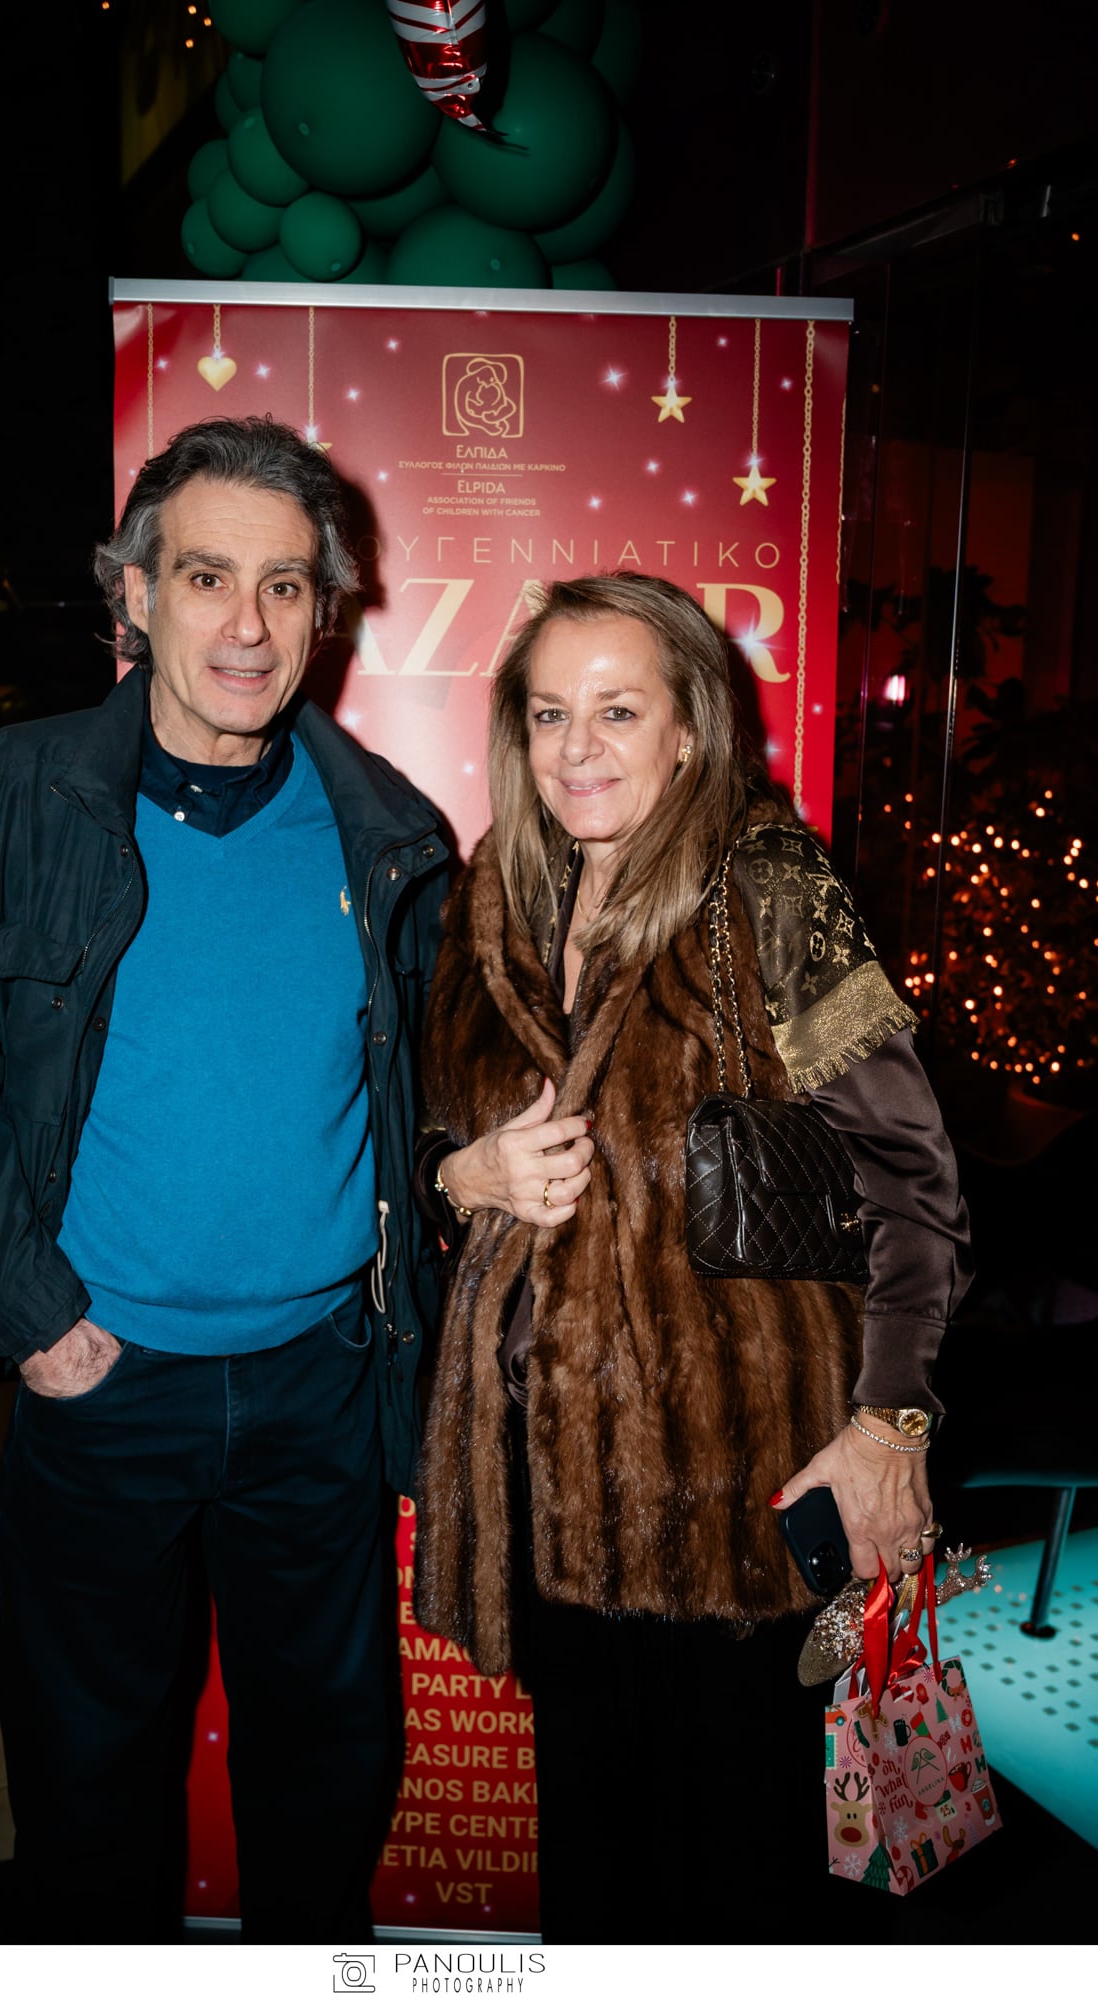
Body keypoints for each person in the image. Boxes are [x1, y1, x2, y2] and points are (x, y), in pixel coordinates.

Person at [0, 416, 450, 1942]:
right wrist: (35, 1316)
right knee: (89, 1772)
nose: (247, 624)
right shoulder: (6, 799)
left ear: (325, 610)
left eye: (285, 585)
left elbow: (426, 1095)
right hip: (99, 1382)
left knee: (330, 1760)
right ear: (132, 591)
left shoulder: (389, 832)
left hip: (318, 1382)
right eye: (205, 577)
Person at [412, 573, 971, 1942]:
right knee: (593, 1876)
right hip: (543, 1492)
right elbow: (429, 1139)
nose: (578, 748)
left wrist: (889, 1423)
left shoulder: (770, 885)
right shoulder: (493, 900)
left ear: (688, 729)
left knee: (736, 1887)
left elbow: (914, 1175)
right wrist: (459, 1177)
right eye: (550, 713)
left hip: (737, 1498)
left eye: (618, 710)